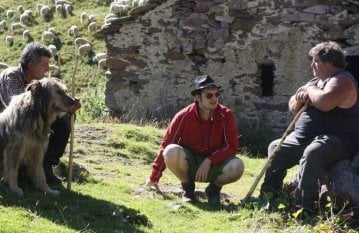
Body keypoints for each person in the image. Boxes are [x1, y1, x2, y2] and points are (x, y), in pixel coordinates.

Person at [260, 41, 359, 212]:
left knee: (313, 153)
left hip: (337, 140)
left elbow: (324, 102)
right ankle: (269, 198)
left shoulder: (342, 80)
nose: (311, 64)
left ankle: (302, 208)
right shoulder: (316, 81)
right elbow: (292, 106)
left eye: (315, 60)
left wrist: (310, 91)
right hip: (303, 138)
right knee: (276, 147)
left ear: (329, 62)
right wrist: (302, 96)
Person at [0, 42, 81, 184]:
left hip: (26, 125)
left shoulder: (41, 84)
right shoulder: (11, 77)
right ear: (31, 66)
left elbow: (42, 110)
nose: (48, 68)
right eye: (44, 65)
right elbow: (20, 113)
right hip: (1, 131)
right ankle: (17, 172)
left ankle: (45, 165)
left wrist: (65, 107)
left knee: (64, 121)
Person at [145, 75, 245, 204]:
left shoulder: (226, 115)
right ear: (197, 97)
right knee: (170, 151)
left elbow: (231, 147)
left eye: (217, 94)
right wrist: (154, 178)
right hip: (190, 164)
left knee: (237, 166)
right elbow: (166, 144)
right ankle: (188, 189)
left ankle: (213, 190)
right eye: (209, 95)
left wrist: (210, 160)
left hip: (214, 165)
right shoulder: (184, 116)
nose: (214, 99)